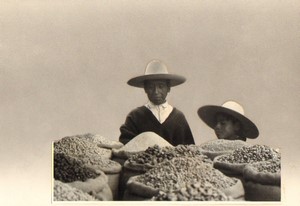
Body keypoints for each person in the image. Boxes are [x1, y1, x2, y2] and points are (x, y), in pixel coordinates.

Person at [119, 59, 195, 146]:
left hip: (175, 160)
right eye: (151, 87)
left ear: (168, 88)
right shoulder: (135, 116)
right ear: (145, 89)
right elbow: (125, 146)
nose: (156, 91)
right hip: (142, 159)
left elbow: (189, 149)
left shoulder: (178, 117)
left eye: (161, 86)